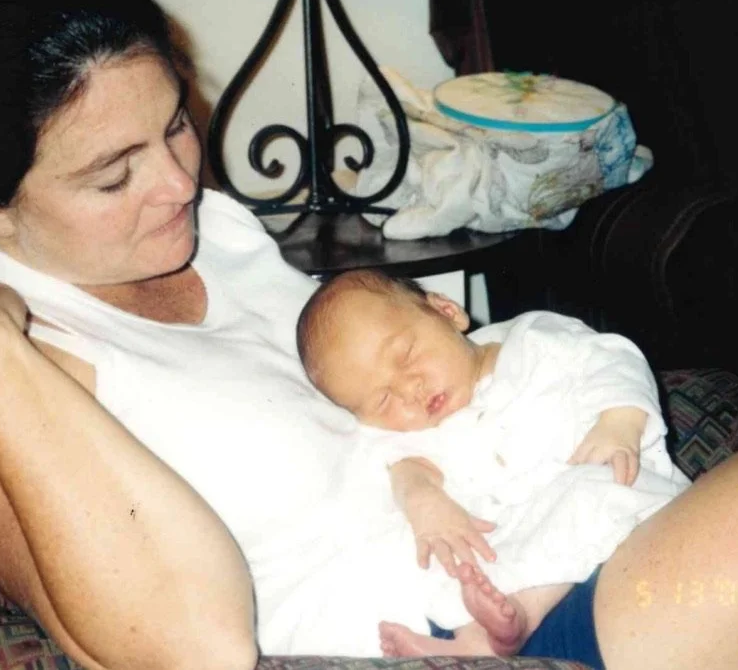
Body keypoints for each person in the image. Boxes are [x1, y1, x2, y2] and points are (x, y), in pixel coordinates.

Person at [0, 0, 738, 668]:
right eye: (111, 175)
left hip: (536, 537)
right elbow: (188, 650)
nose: (177, 183)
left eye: (174, 126)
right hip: (442, 637)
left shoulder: (207, 227)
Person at [295, 268, 692, 658]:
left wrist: (619, 421)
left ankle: (516, 619)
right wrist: (424, 500)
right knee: (442, 547)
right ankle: (471, 637)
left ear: (448, 312)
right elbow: (403, 466)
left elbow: (613, 359)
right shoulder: (418, 432)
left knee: (592, 492)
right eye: (383, 400)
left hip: (619, 496)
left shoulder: (537, 340)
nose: (409, 390)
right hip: (519, 535)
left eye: (406, 356)